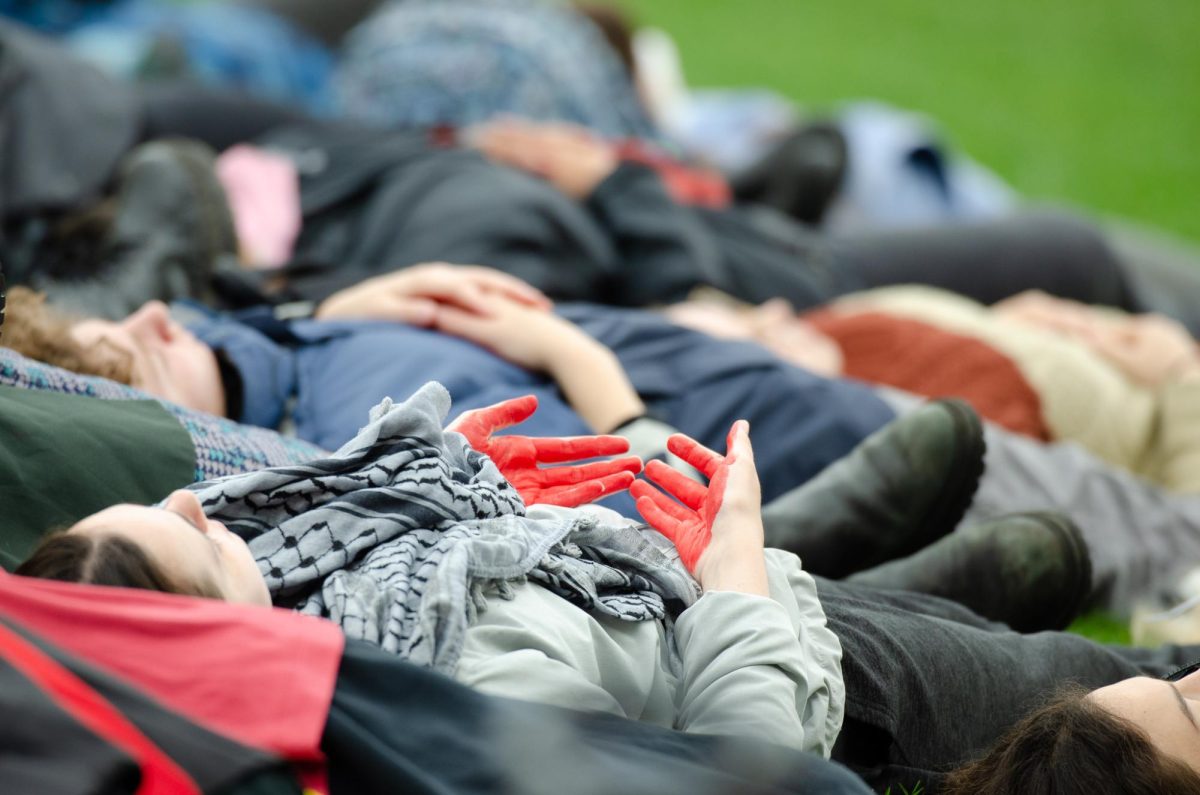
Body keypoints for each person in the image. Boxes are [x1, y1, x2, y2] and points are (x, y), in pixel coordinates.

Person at [14, 391, 1200, 793]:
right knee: (1129, 698)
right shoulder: (448, 681)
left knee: (1030, 641)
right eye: (189, 537)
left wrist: (450, 497)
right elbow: (747, 770)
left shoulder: (315, 568)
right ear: (213, 645)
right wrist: (737, 574)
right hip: (839, 701)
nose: (195, 503)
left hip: (760, 613)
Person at [666, 285, 1200, 493]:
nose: (777, 310)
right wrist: (1181, 377)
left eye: (747, 307)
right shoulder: (887, 425)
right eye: (760, 333)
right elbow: (1179, 525)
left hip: (1142, 337)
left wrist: (1050, 322)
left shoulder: (832, 326)